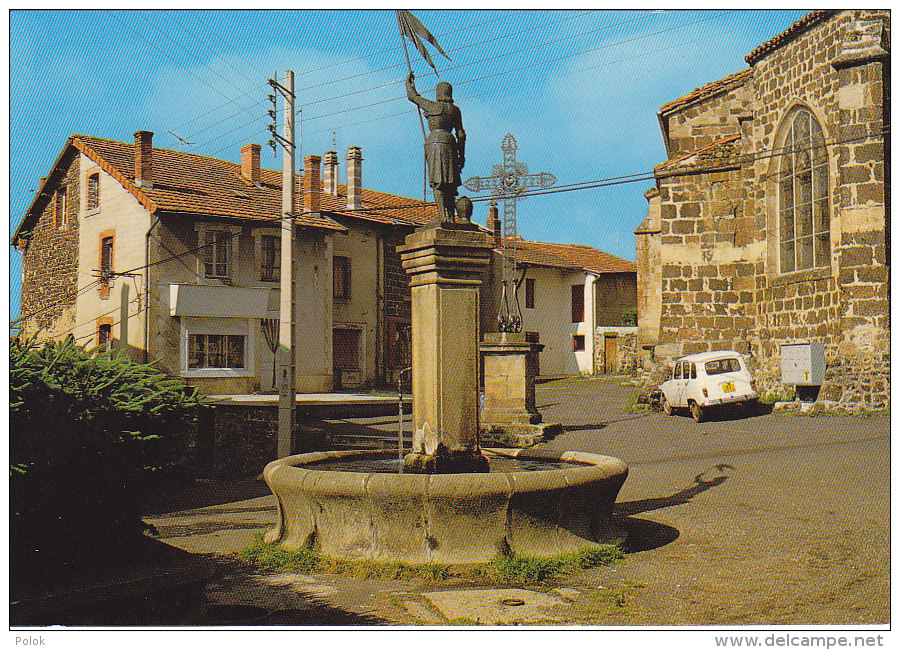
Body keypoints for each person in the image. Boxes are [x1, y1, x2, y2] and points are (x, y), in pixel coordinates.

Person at [406, 71, 466, 224]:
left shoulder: (432, 106)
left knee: (438, 181)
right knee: (450, 183)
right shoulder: (455, 110)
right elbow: (461, 134)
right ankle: (451, 216)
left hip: (434, 144)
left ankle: (443, 215)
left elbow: (413, 97)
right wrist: (462, 155)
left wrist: (408, 84)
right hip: (450, 144)